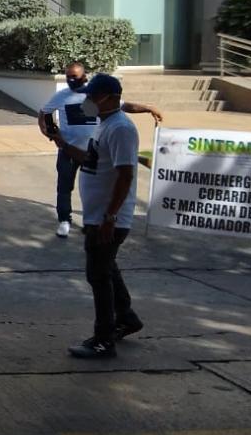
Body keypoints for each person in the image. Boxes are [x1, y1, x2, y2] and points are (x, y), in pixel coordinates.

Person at [49, 73, 144, 360]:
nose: (87, 101)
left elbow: (125, 175)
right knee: (107, 269)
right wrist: (62, 143)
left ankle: (103, 340)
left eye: (93, 96)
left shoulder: (121, 129)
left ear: (110, 98)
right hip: (97, 216)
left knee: (98, 275)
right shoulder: (103, 124)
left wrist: (110, 217)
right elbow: (90, 160)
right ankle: (126, 318)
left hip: (108, 218)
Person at [39, 62, 163, 238]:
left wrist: (148, 108)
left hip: (93, 153)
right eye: (68, 77)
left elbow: (124, 106)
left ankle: (97, 220)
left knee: (100, 187)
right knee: (65, 187)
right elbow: (44, 113)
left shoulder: (114, 120)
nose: (70, 80)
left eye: (74, 76)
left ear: (84, 77)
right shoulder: (62, 96)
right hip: (69, 151)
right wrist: (48, 132)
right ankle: (64, 220)